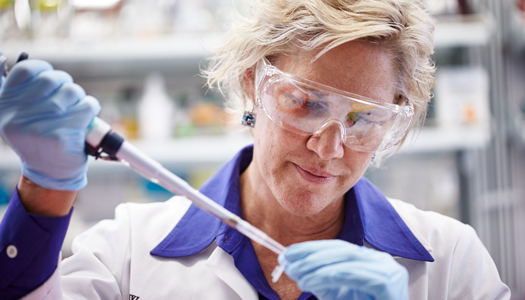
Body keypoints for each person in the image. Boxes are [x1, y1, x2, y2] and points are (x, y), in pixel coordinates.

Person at [0, 0, 511, 299]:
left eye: (365, 119)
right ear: (253, 86)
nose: (329, 147)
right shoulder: (129, 252)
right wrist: (43, 190)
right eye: (306, 103)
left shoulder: (450, 262)